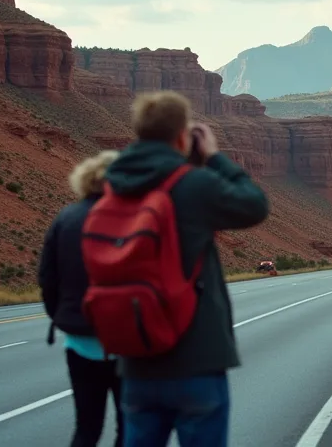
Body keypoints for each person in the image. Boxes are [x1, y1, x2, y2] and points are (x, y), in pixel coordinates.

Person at [106, 92, 269, 447]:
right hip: (195, 356)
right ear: (182, 135)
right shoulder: (192, 184)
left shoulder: (114, 186)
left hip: (136, 360)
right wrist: (213, 157)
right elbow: (254, 205)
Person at [39, 150, 124, 447]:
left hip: (80, 342)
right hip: (129, 346)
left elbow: (48, 279)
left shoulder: (67, 218)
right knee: (131, 429)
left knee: (86, 428)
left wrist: (64, 317)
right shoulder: (134, 220)